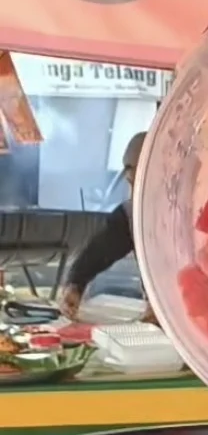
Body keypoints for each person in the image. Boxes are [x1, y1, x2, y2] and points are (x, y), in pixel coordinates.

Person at [59, 132, 148, 319]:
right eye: (127, 170)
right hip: (161, 319)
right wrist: (74, 284)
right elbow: (97, 253)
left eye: (132, 168)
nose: (128, 176)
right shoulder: (131, 213)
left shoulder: (188, 209)